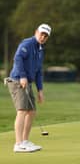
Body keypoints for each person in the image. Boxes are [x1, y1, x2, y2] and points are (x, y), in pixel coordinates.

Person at [7, 23, 51, 152]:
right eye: (41, 34)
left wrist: (40, 90)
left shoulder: (40, 50)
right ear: (36, 31)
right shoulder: (27, 43)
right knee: (22, 110)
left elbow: (38, 71)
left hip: (27, 82)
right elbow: (18, 58)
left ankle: (25, 141)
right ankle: (18, 144)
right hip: (17, 81)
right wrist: (22, 76)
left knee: (31, 111)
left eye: (45, 36)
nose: (43, 37)